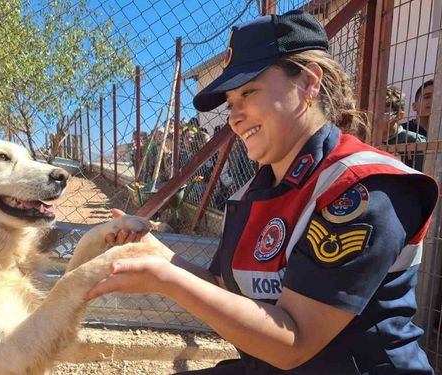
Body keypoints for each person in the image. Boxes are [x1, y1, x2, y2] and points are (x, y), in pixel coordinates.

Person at [88, 10, 438, 374]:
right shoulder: (252, 192)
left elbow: (294, 343)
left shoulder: (362, 187)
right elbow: (224, 287)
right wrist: (161, 257)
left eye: (249, 92)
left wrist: (165, 279)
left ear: (308, 83)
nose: (234, 117)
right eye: (231, 103)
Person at [382, 86, 426, 171]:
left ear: (399, 116)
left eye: (384, 114)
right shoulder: (365, 139)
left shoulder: (414, 141)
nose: (375, 119)